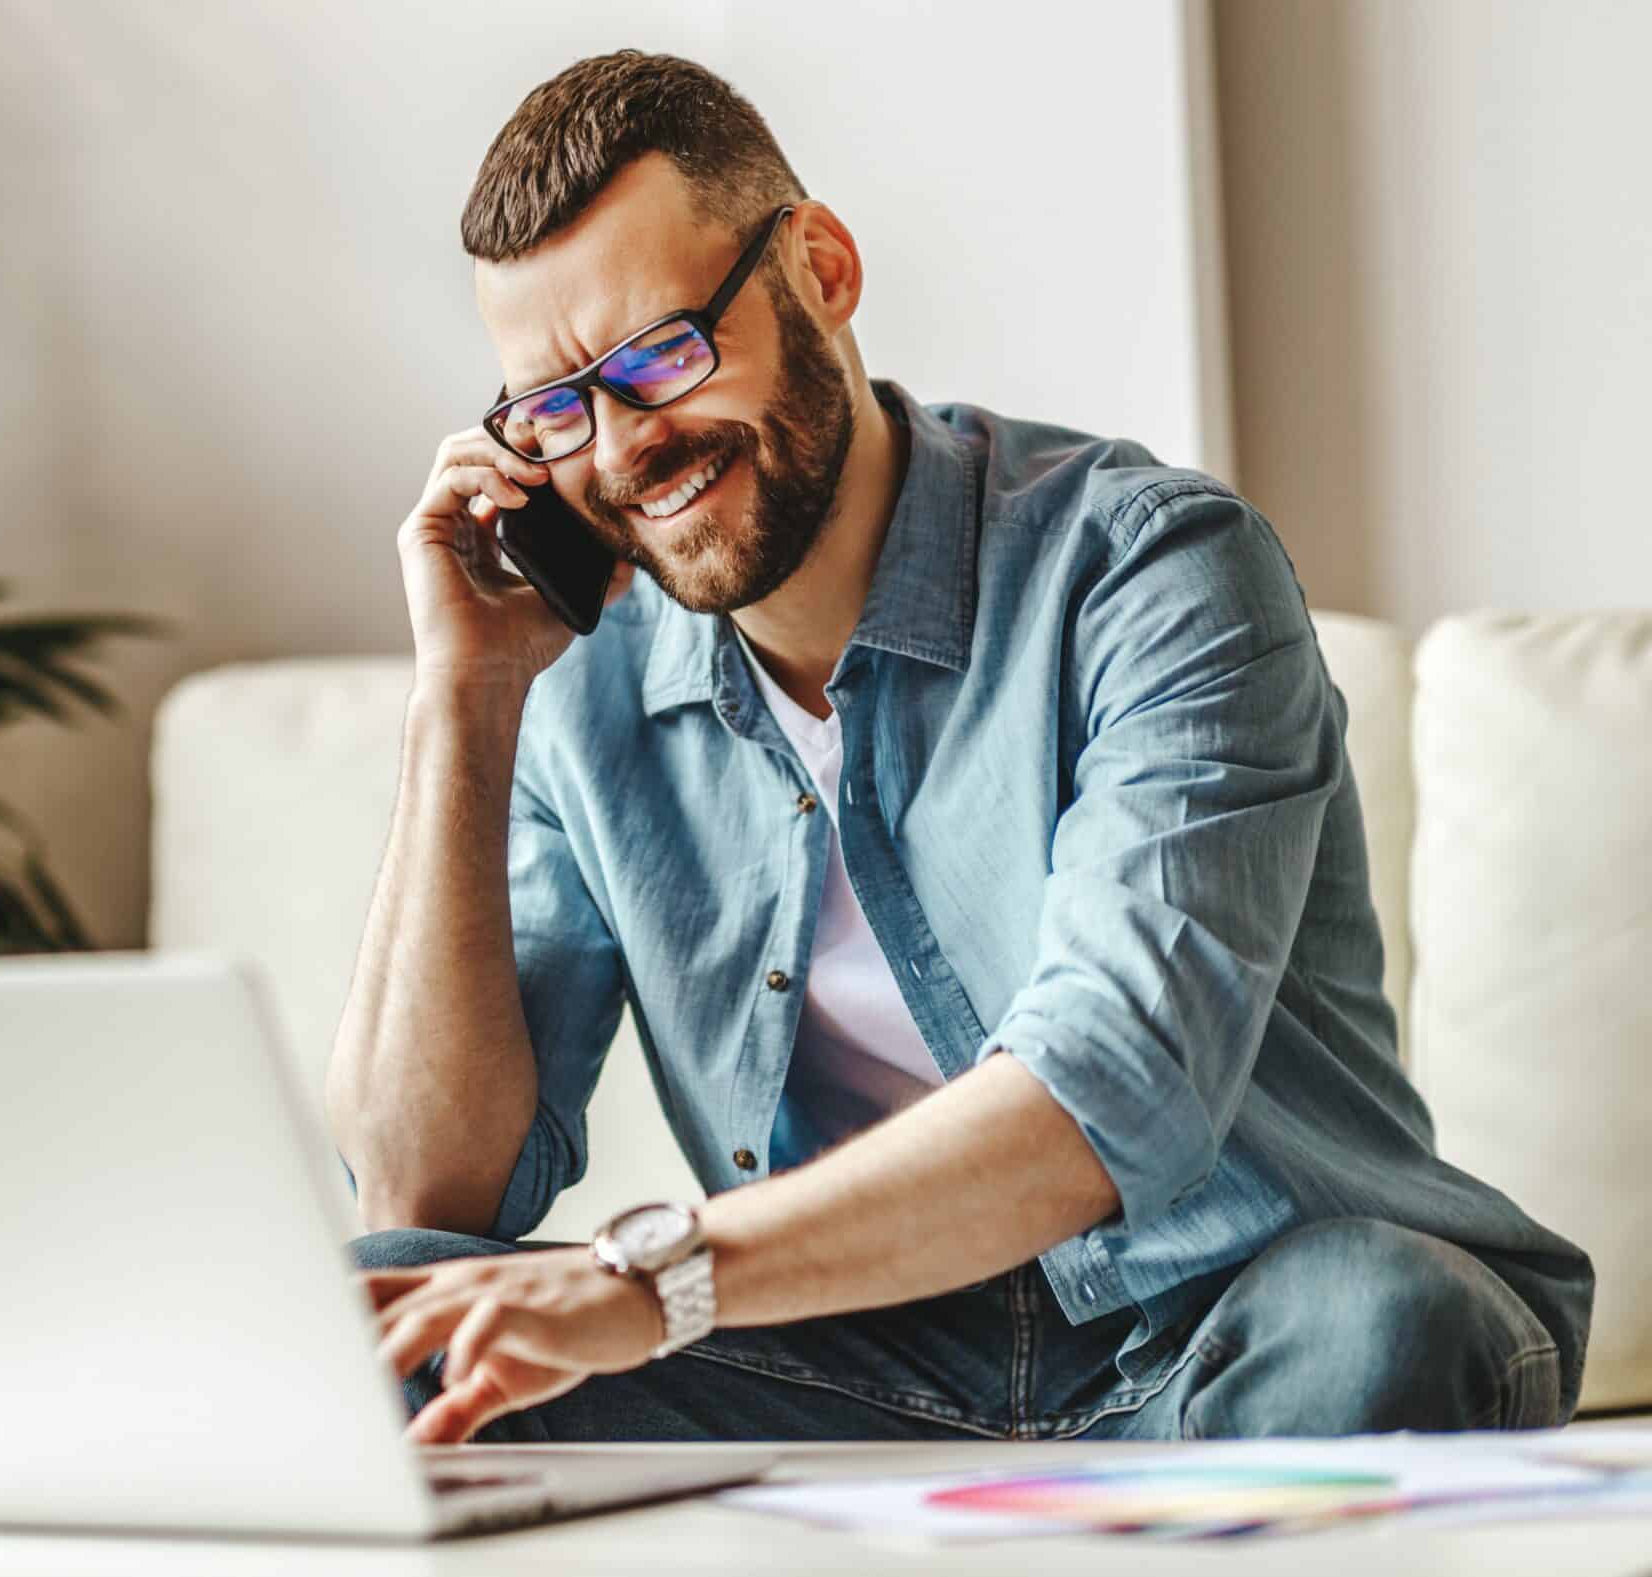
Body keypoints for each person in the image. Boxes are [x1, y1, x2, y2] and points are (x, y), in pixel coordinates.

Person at [325, 49, 1591, 1448]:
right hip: (865, 1368)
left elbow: (1106, 1091)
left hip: (1230, 1322)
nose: (626, 449)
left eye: (664, 352)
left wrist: (658, 1278)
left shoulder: (1154, 570)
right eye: (560, 408)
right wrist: (465, 696)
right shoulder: (582, 678)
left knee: (1387, 1313)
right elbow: (423, 1193)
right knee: (384, 1321)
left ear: (821, 267)